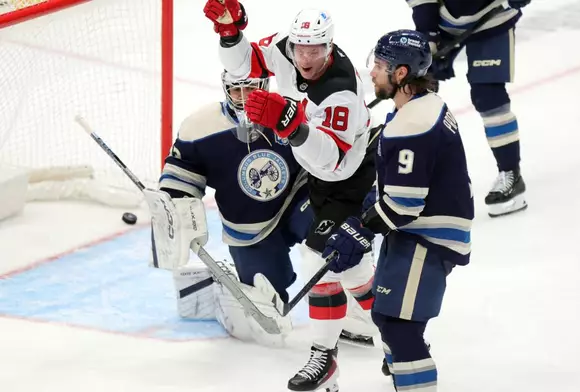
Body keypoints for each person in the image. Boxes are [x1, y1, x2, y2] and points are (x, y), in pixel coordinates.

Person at [203, 1, 378, 390]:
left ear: (329, 47)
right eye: (301, 48)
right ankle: (383, 337)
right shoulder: (286, 47)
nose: (306, 57)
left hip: (349, 179)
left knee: (328, 259)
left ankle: (332, 355)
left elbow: (333, 161)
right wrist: (231, 33)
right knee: (336, 264)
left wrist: (292, 125)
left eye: (315, 50)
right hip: (317, 178)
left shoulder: (340, 90)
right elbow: (243, 66)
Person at [322, 30, 474, 391]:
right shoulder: (421, 106)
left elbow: (405, 205)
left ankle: (412, 370)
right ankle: (408, 367)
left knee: (399, 325)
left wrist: (359, 228)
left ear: (401, 74)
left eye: (379, 66)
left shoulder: (412, 125)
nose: (372, 73)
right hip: (416, 232)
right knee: (389, 317)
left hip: (428, 236)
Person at [159, 71, 312, 346]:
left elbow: (327, 154)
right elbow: (182, 175)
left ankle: (348, 308)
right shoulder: (201, 126)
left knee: (328, 236)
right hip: (248, 225)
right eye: (236, 90)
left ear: (264, 84)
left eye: (250, 88)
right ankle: (222, 293)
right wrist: (175, 206)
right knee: (263, 316)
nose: (243, 98)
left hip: (298, 200)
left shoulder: (290, 111)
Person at [406, 0, 531, 217]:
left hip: (492, 19)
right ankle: (407, 179)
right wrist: (428, 33)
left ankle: (510, 173)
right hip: (444, 21)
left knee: (488, 96)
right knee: (415, 91)